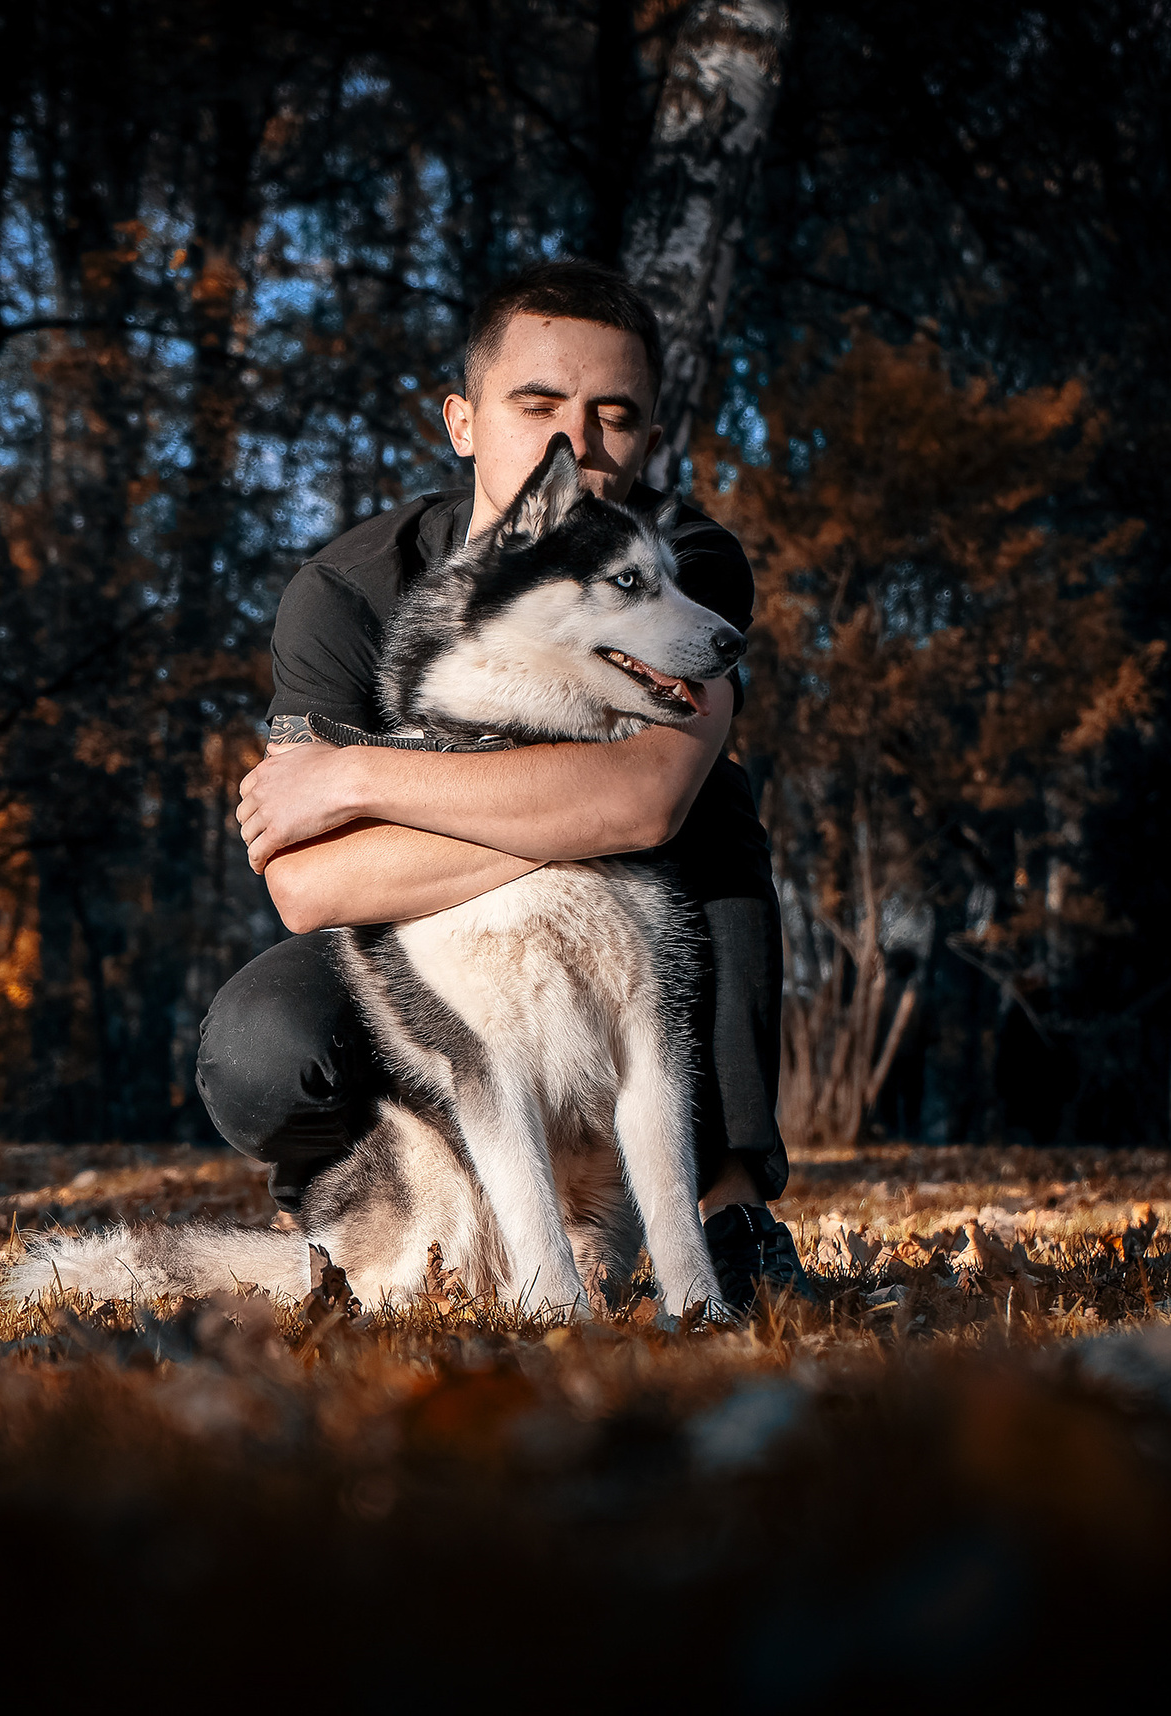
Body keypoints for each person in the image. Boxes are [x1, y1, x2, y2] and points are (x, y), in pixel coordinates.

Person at [204, 258, 804, 1309]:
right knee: (260, 1048)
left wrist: (353, 775)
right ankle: (370, 1215)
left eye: (615, 416)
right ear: (463, 421)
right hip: (426, 953)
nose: (578, 444)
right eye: (538, 405)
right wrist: (575, 807)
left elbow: (651, 800)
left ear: (650, 443)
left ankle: (731, 1210)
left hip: (626, 922)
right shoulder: (344, 590)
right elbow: (310, 888)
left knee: (712, 816)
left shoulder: (681, 557)